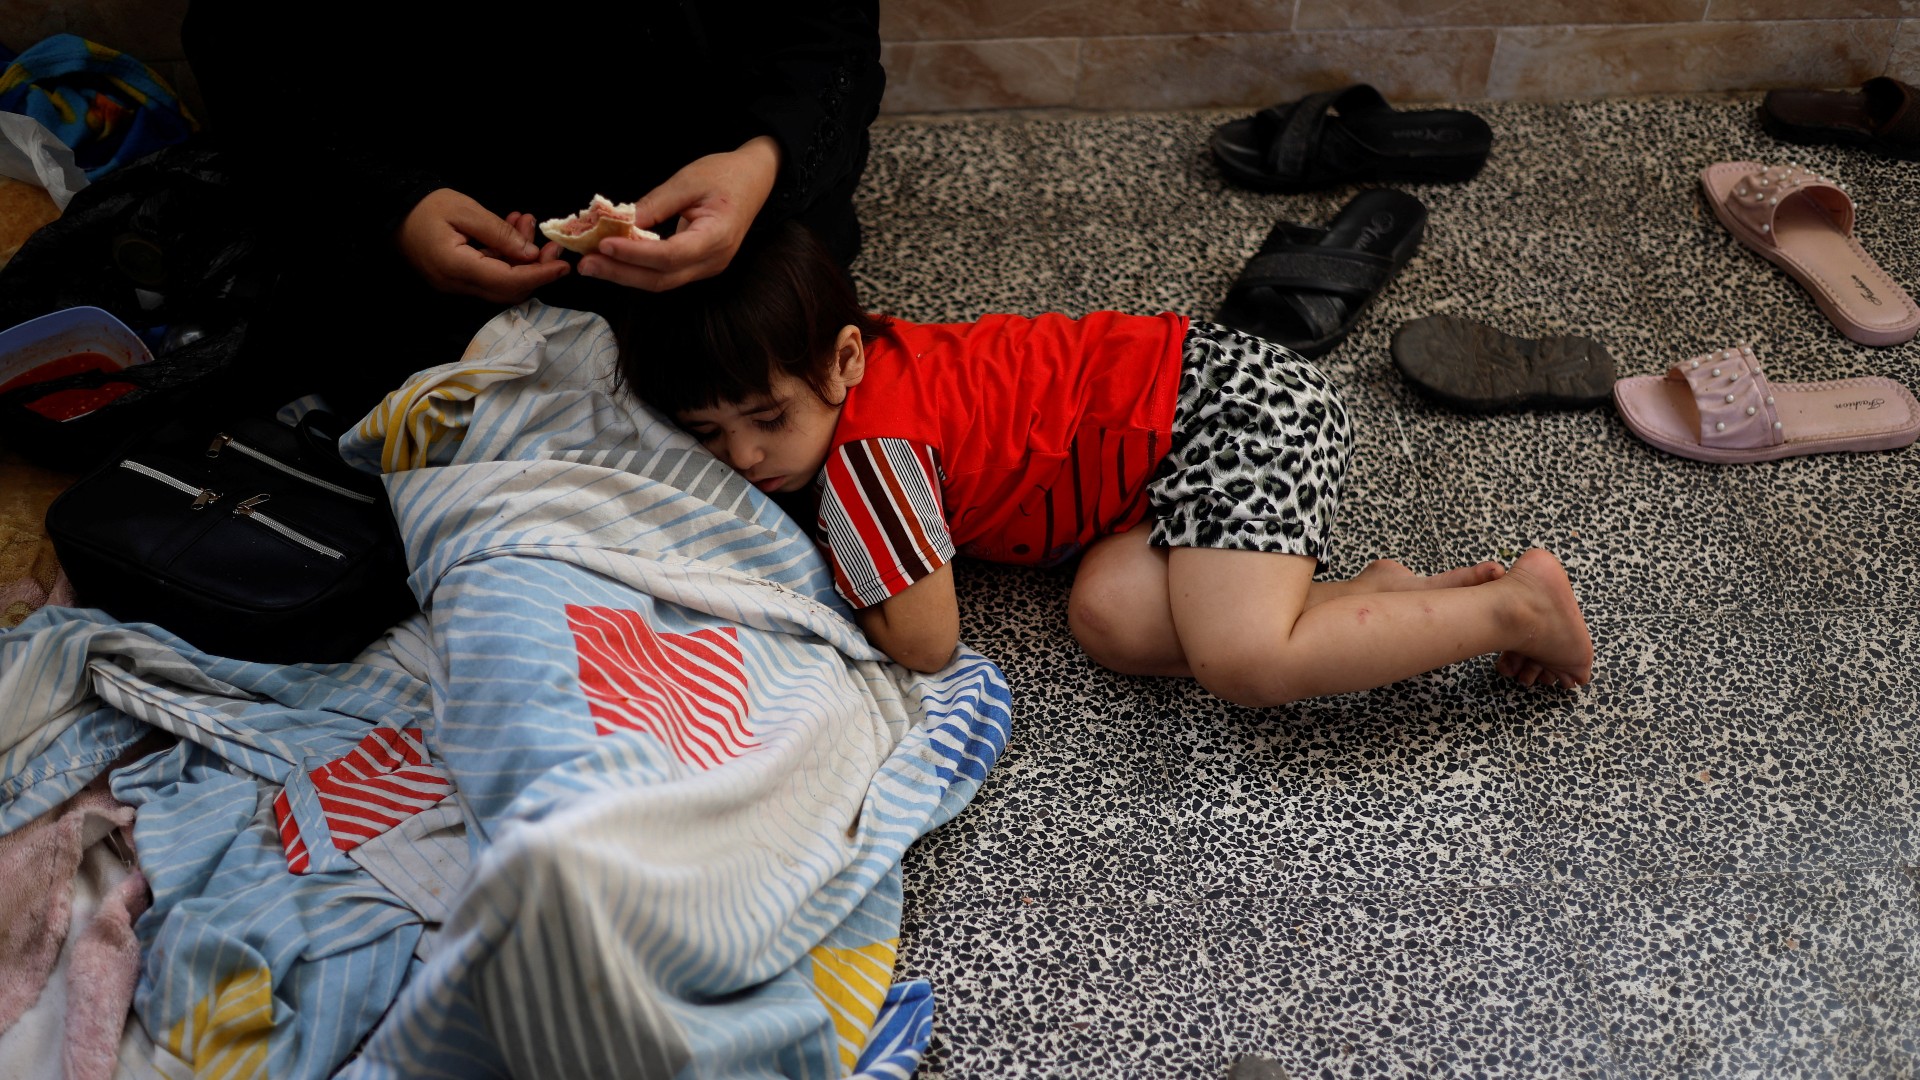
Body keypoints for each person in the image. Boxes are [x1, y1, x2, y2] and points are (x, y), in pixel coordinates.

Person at [623, 222, 1595, 703]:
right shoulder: (856, 359)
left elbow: (924, 642)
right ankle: (1364, 598)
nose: (744, 457)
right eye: (707, 433)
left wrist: (819, 579)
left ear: (844, 362)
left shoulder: (868, 463)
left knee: (1245, 663)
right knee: (1114, 620)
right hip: (1179, 430)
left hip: (1233, 413)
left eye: (767, 419)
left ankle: (1516, 609)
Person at [179, 0, 884, 418]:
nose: (745, 454)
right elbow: (238, 44)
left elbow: (827, 32)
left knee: (755, 375)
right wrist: (395, 206)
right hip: (416, 236)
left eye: (762, 423)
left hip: (728, 222)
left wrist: (762, 160)